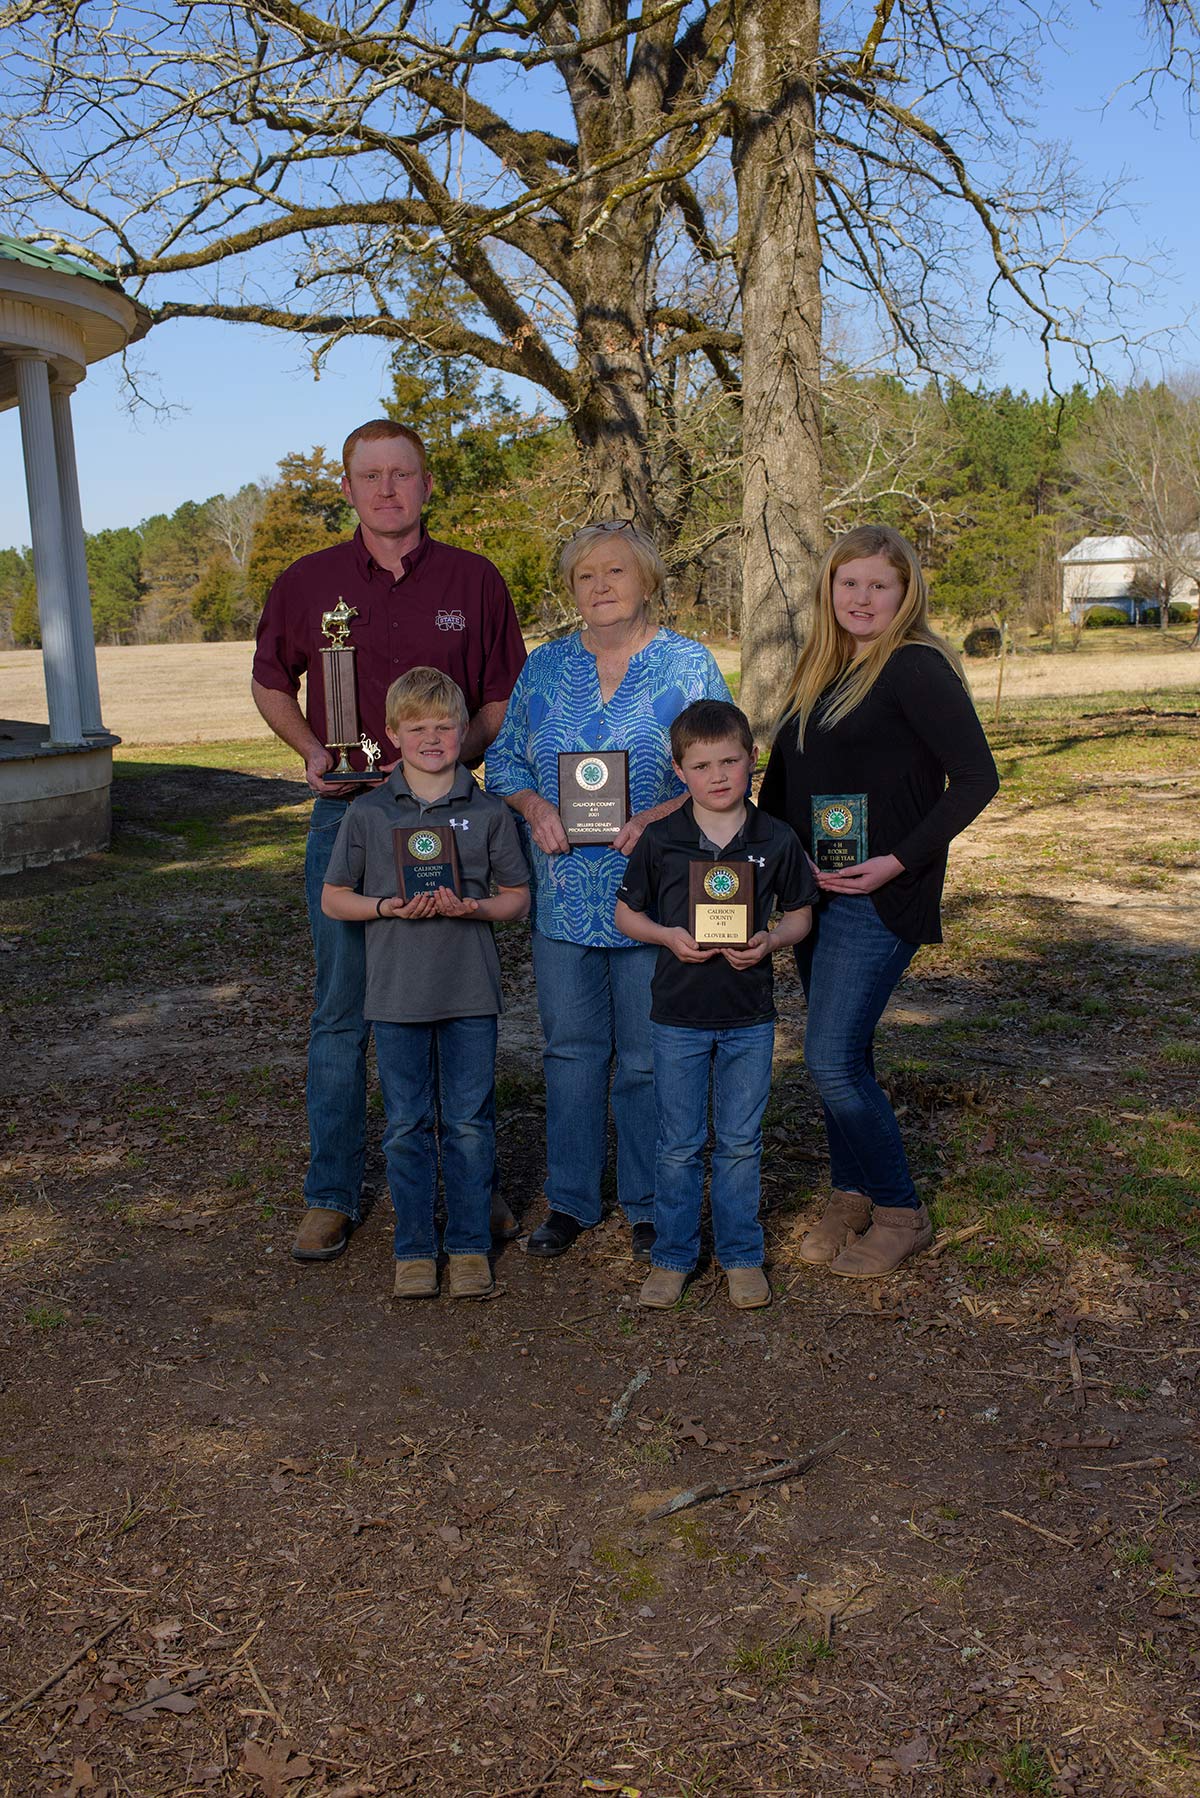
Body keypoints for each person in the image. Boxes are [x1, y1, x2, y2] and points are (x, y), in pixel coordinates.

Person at [251, 420, 528, 1264]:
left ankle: (471, 1185)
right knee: (343, 1011)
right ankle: (332, 1192)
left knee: (452, 999)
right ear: (346, 488)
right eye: (369, 476)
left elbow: (500, 696)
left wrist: (445, 765)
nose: (386, 489)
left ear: (426, 483)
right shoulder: (308, 582)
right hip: (353, 815)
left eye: (401, 474)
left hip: (454, 816)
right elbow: (269, 679)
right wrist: (308, 751)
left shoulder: (473, 581)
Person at [758, 524, 999, 1277]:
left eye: (879, 586)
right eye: (849, 582)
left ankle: (900, 1209)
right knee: (846, 1050)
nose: (861, 598)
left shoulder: (915, 667)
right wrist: (772, 857)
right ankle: (850, 1192)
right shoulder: (821, 669)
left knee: (828, 1057)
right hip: (816, 892)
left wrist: (894, 861)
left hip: (877, 896)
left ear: (905, 594)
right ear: (829, 587)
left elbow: (977, 778)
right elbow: (783, 782)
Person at [486, 521, 731, 1261]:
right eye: (585, 575)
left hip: (651, 901)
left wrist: (661, 814)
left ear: (647, 580)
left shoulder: (688, 666)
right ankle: (571, 1201)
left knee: (650, 1059)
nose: (600, 586)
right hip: (563, 899)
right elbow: (503, 763)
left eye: (615, 572)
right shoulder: (545, 667)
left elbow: (723, 769)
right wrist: (533, 806)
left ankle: (650, 1202)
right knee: (570, 1054)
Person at [320, 668, 530, 1298]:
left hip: (469, 991)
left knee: (469, 1122)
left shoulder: (489, 811)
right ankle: (413, 1245)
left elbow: (516, 899)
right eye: (417, 728)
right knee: (407, 1123)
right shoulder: (365, 812)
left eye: (445, 726)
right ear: (392, 735)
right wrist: (384, 906)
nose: (433, 738)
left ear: (465, 732)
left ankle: (468, 1245)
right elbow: (335, 899)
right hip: (395, 995)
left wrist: (475, 907)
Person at [614, 700, 818, 1309]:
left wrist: (772, 940)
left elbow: (802, 914)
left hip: (749, 1018)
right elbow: (627, 915)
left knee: (739, 1142)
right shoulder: (661, 840)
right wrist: (667, 936)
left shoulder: (775, 838)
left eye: (731, 760)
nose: (719, 775)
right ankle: (673, 1255)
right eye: (702, 765)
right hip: (677, 1016)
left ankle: (741, 1255)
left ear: (752, 759)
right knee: (677, 1143)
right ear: (680, 771)